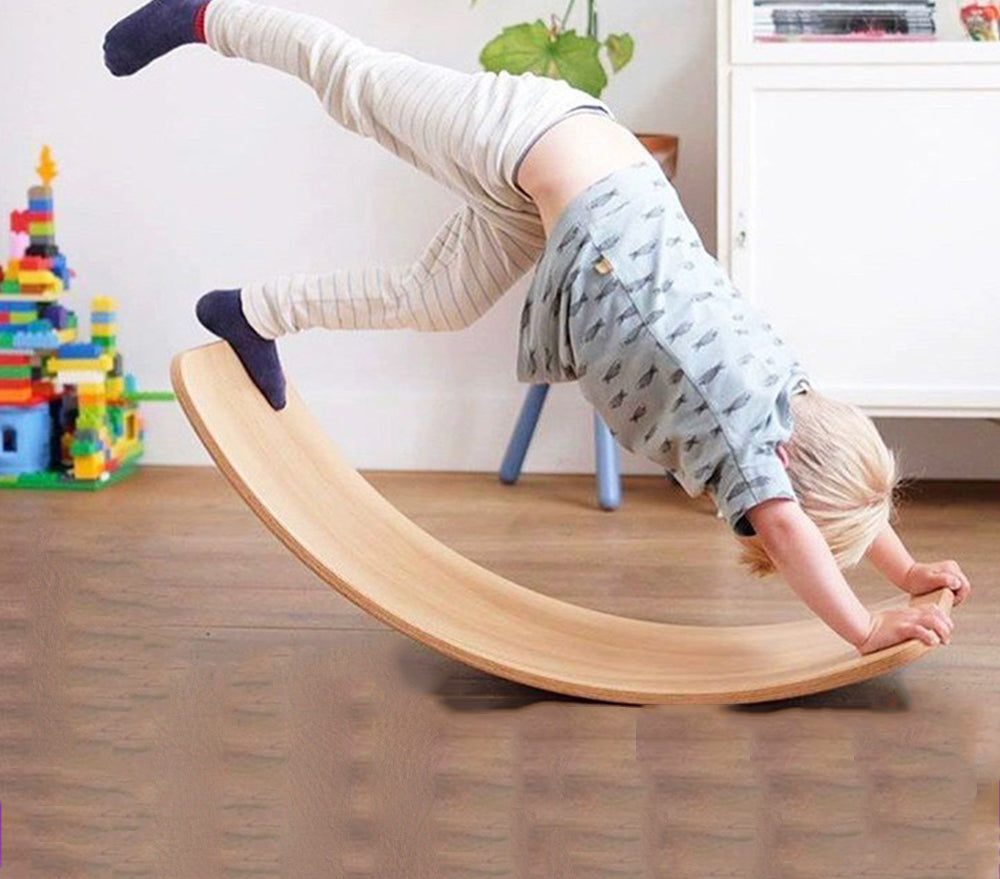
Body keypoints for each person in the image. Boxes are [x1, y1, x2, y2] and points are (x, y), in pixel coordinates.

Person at [103, 0, 971, 653]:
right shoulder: (747, 421)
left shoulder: (789, 399)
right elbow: (793, 518)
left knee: (437, 297)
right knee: (354, 81)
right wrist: (862, 626)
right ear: (779, 469)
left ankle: (251, 313)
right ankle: (205, 15)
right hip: (532, 135)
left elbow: (835, 489)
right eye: (781, 522)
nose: (764, 529)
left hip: (552, 187)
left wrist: (907, 570)